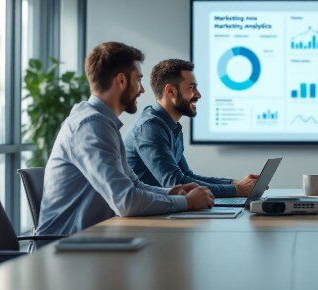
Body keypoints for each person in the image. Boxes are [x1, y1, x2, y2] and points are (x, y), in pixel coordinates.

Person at [38, 42, 214, 236]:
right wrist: (187, 202)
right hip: (64, 248)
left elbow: (134, 185)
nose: (142, 89)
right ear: (121, 81)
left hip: (93, 239)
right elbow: (126, 202)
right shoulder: (90, 126)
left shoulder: (102, 122)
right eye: (138, 80)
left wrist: (173, 192)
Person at [124, 59, 258, 198]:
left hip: (161, 211)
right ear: (170, 91)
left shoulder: (171, 127)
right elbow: (176, 183)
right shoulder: (149, 128)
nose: (198, 94)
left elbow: (187, 176)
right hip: (144, 217)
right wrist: (237, 190)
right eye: (191, 88)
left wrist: (235, 184)